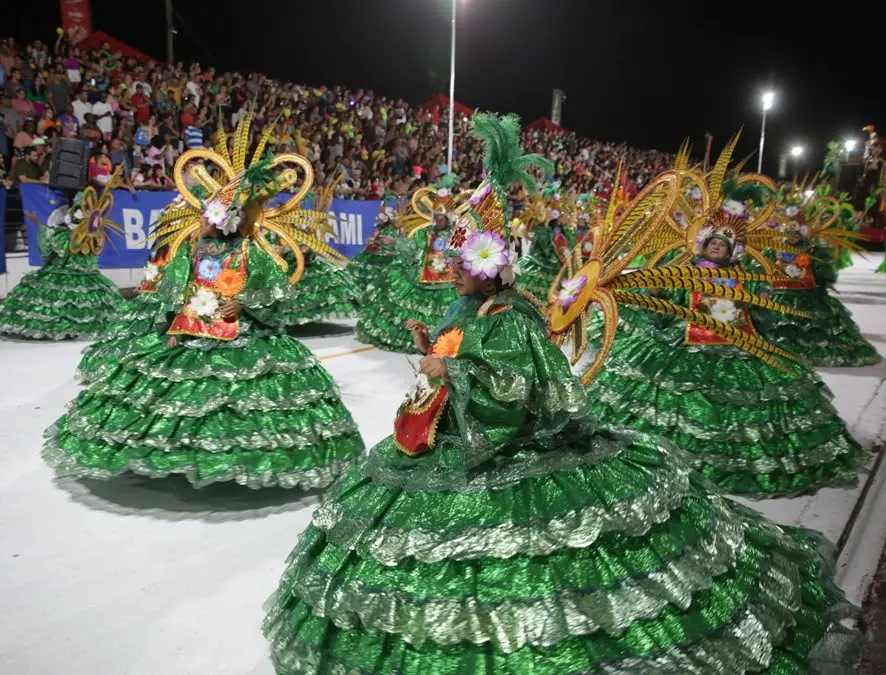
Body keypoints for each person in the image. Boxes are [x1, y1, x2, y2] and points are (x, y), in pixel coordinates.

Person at [263, 112, 862, 675]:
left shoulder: (510, 316)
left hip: (503, 442)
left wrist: (452, 372)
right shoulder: (468, 306)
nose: (451, 271)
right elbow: (461, 347)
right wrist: (433, 344)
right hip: (449, 433)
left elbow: (513, 389)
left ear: (490, 269)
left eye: (461, 265)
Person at [44, 118, 364, 489]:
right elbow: (179, 290)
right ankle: (180, 455)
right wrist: (174, 324)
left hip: (241, 334)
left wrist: (243, 306)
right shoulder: (192, 251)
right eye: (205, 216)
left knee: (240, 402)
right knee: (175, 392)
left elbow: (273, 294)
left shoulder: (252, 252)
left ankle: (229, 459)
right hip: (192, 329)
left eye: (210, 217)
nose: (202, 222)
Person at [583, 168, 866, 498]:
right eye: (713, 243)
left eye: (723, 245)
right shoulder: (686, 272)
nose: (717, 247)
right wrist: (656, 295)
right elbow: (665, 306)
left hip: (735, 345)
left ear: (732, 252)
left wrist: (759, 302)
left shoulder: (743, 277)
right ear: (703, 245)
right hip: (686, 341)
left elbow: (761, 314)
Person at [762, 187, 881, 367]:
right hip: (780, 293)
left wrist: (825, 278)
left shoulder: (812, 249)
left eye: (795, 233)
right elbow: (762, 266)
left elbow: (822, 267)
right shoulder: (774, 249)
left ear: (802, 233)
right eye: (788, 233)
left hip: (807, 294)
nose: (791, 237)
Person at [0, 176, 125, 339]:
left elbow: (52, 245)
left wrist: (38, 223)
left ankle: (63, 328)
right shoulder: (88, 231)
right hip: (84, 267)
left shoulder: (68, 234)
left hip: (71, 264)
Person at [354, 175, 464, 352]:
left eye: (442, 218)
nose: (438, 221)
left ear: (448, 217)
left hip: (450, 281)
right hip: (426, 277)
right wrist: (392, 241)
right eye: (436, 217)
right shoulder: (426, 232)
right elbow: (411, 246)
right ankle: (420, 340)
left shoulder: (457, 234)